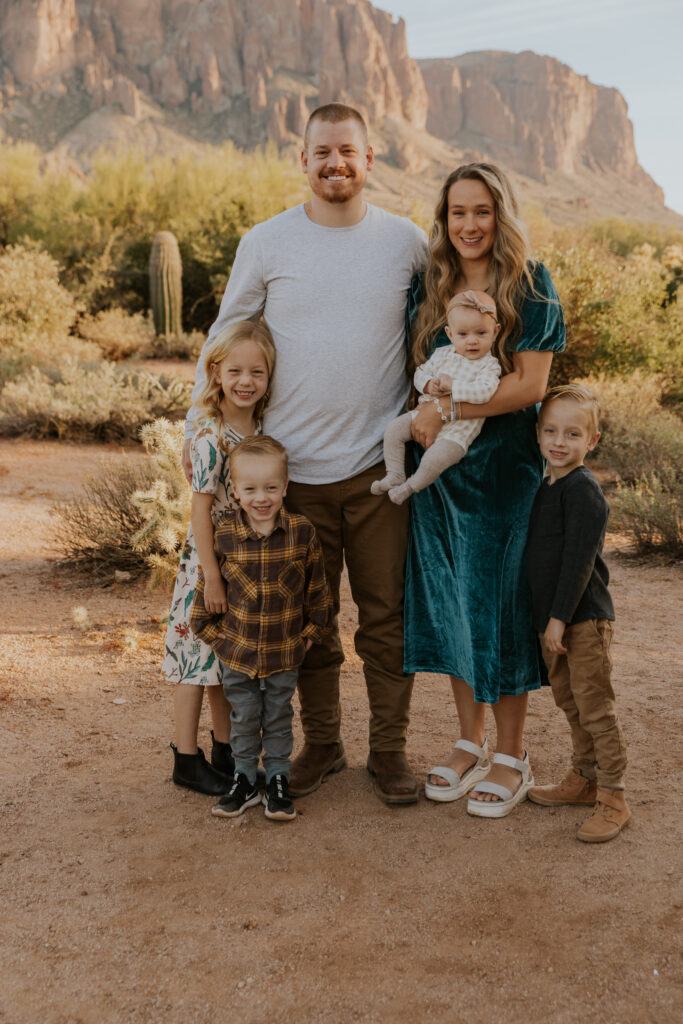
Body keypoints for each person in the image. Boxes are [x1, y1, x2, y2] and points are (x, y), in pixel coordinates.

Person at [183, 103, 428, 805]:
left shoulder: (404, 242)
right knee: (307, 624)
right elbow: (224, 337)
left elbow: (440, 327)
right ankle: (323, 743)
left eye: (346, 151)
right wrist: (201, 431)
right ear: (302, 159)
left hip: (379, 476)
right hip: (290, 481)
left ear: (369, 157)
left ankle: (388, 752)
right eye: (321, 152)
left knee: (384, 620)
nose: (334, 164)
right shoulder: (266, 242)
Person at [406, 162, 566, 817]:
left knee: (497, 606)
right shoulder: (428, 284)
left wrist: (448, 414)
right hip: (439, 478)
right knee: (450, 602)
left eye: (481, 211)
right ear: (443, 221)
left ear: (500, 215)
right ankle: (466, 743)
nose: (468, 225)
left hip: (502, 473)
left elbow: (529, 385)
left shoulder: (531, 285)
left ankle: (512, 754)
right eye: (456, 213)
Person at [190, 435, 332, 822]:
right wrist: (223, 644)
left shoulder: (302, 533)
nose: (262, 498)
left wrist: (305, 641)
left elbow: (318, 597)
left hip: (285, 653)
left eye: (271, 487)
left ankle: (279, 782)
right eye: (250, 489)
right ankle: (244, 781)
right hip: (239, 655)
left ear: (286, 487)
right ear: (234, 491)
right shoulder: (224, 535)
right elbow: (203, 605)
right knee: (244, 718)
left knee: (279, 717)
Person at [165, 321, 275, 795]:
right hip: (209, 567)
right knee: (195, 663)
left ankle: (226, 751)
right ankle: (185, 760)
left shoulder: (256, 426)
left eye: (258, 372)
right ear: (215, 371)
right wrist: (211, 576)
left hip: (240, 566)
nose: (246, 381)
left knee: (220, 665)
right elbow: (201, 509)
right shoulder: (211, 435)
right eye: (235, 370)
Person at [526, 384, 630, 842]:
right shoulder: (545, 483)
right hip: (556, 620)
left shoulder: (583, 490)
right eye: (550, 431)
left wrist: (558, 618)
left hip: (581, 619)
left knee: (595, 708)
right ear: (538, 432)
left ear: (592, 441)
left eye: (572, 434)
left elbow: (578, 562)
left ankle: (613, 796)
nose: (558, 442)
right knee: (569, 702)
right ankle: (584, 778)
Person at [371, 289, 501, 504]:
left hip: (456, 434)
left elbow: (485, 392)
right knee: (393, 430)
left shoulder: (489, 365)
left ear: (495, 332)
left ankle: (408, 487)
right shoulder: (442, 354)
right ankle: (394, 475)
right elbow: (420, 372)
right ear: (450, 334)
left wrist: (454, 387)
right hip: (423, 414)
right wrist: (429, 385)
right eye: (463, 334)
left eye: (481, 333)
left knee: (434, 460)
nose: (472, 341)